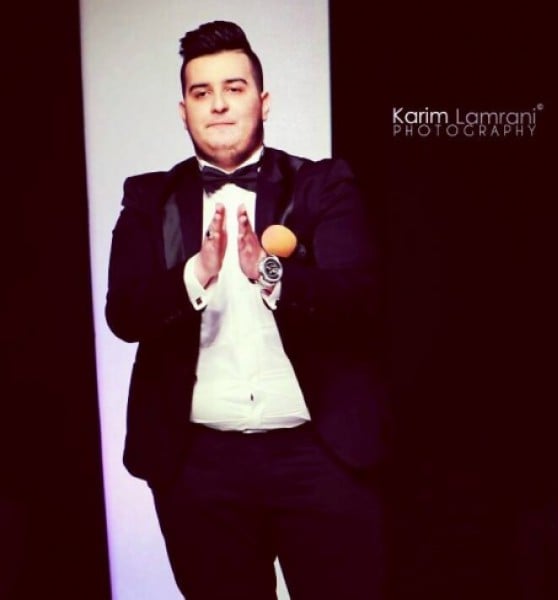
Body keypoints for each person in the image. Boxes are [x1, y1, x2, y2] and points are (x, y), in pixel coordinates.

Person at [106, 20, 390, 599]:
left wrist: (270, 273)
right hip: (199, 467)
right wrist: (195, 275)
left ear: (263, 101)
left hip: (320, 455)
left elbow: (360, 298)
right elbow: (124, 314)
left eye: (234, 88)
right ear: (184, 111)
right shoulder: (148, 198)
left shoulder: (323, 184)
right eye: (201, 92)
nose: (218, 104)